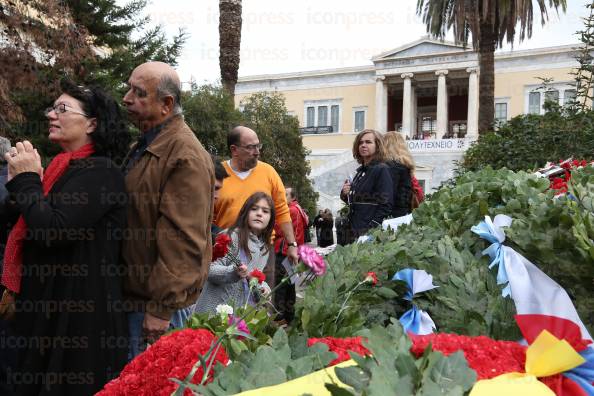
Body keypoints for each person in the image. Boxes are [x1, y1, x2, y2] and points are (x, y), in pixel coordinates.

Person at [0, 79, 130, 395]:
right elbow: (14, 220)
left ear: (92, 124)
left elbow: (53, 230)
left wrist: (29, 180)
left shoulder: (102, 172)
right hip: (47, 307)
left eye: (62, 109)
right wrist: (23, 182)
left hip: (78, 317)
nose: (51, 115)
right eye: (52, 108)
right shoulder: (61, 167)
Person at [121, 62, 214, 357]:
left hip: (154, 311)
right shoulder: (149, 143)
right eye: (128, 88)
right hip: (137, 302)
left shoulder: (184, 155)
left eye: (138, 93)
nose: (126, 98)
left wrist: (160, 310)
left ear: (166, 104)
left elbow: (183, 239)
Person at [213, 126, 299, 287]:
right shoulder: (218, 173)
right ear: (234, 149)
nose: (257, 151)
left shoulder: (269, 172)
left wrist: (292, 245)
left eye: (258, 146)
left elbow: (281, 210)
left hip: (263, 249)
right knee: (224, 303)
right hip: (227, 249)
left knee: (260, 300)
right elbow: (208, 214)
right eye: (250, 147)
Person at [194, 192, 274, 314]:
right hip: (212, 313)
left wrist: (264, 288)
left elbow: (256, 277)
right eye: (254, 209)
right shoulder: (231, 236)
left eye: (265, 211)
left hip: (238, 317)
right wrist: (233, 272)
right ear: (245, 212)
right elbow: (208, 269)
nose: (259, 213)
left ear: (271, 218)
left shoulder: (264, 248)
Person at [340, 129, 393, 241]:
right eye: (360, 142)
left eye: (368, 142)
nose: (363, 145)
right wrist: (345, 194)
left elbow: (386, 205)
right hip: (354, 231)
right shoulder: (360, 172)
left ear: (378, 146)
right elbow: (358, 201)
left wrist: (371, 230)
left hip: (369, 234)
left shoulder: (381, 169)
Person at [273, 186, 308, 323]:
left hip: (284, 251)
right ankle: (289, 316)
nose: (283, 196)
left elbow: (281, 229)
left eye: (286, 194)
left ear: (293, 197)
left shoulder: (291, 210)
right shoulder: (298, 209)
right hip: (290, 251)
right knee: (289, 284)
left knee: (280, 286)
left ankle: (280, 316)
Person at [383, 131, 414, 217]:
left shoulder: (391, 167)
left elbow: (388, 193)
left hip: (392, 214)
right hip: (403, 211)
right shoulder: (405, 165)